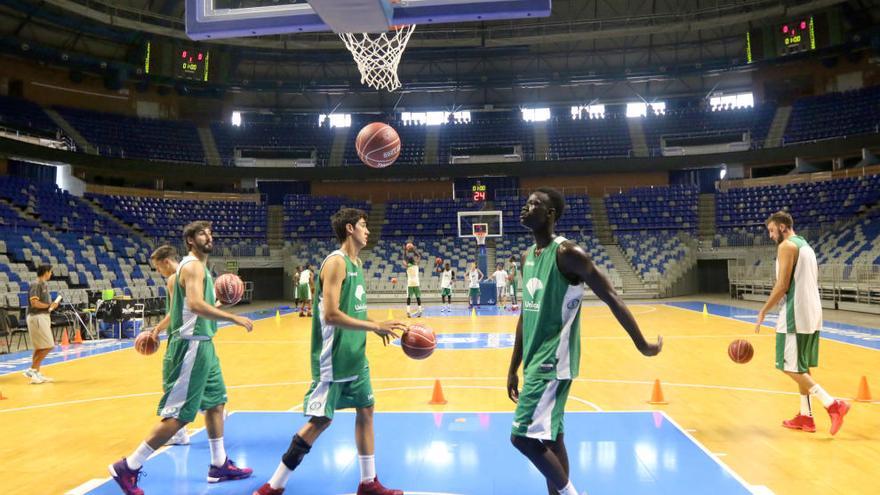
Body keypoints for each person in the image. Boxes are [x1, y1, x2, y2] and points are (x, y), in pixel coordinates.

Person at [507, 187, 662, 495]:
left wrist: (641, 343)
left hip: (554, 360)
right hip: (537, 361)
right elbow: (526, 316)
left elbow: (611, 296)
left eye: (534, 204)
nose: (526, 208)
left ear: (551, 215)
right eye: (526, 203)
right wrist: (513, 366)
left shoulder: (568, 254)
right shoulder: (527, 256)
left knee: (521, 437)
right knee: (552, 440)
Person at [253, 208, 408, 495]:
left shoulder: (356, 264)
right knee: (321, 421)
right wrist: (375, 326)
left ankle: (368, 482)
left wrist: (371, 328)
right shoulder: (335, 263)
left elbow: (353, 308)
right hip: (333, 359)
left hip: (355, 357)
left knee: (366, 409)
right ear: (350, 229)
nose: (368, 231)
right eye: (363, 225)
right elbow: (332, 315)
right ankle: (273, 486)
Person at [109, 221, 255, 495]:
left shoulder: (195, 269)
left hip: (204, 345)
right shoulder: (193, 267)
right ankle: (128, 466)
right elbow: (196, 306)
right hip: (191, 348)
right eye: (202, 233)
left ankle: (218, 463)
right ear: (190, 240)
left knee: (216, 402)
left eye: (210, 232)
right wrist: (233, 317)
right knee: (179, 416)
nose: (208, 236)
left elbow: (194, 307)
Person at [755, 211, 849, 435]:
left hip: (795, 314)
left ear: (783, 227)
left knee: (788, 365)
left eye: (771, 230)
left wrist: (763, 311)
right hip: (812, 311)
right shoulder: (805, 245)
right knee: (801, 367)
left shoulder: (787, 246)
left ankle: (833, 405)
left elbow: (782, 286)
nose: (770, 236)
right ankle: (806, 417)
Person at [146, 245, 189, 446]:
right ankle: (215, 411)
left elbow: (174, 313)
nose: (158, 272)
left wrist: (156, 330)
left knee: (171, 384)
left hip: (180, 338)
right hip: (196, 337)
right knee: (198, 381)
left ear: (166, 262)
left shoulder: (174, 278)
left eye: (158, 267)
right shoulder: (194, 273)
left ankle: (179, 433)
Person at [22, 265, 58, 384]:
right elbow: (34, 303)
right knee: (49, 345)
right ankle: (32, 370)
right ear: (46, 272)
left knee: (39, 347)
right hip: (36, 317)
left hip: (42, 316)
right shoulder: (36, 284)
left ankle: (35, 373)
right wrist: (49, 305)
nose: (51, 274)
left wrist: (51, 305)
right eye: (50, 272)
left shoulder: (44, 284)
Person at [402, 244, 423, 317]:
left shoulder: (407, 266)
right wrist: (413, 249)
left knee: (409, 298)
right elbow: (419, 256)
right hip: (416, 283)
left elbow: (404, 258)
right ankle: (420, 311)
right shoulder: (416, 264)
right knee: (418, 297)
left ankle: (408, 312)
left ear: (408, 261)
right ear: (414, 260)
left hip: (410, 283)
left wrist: (405, 250)